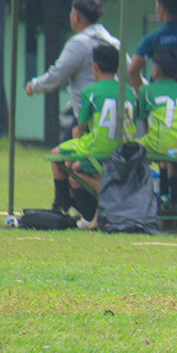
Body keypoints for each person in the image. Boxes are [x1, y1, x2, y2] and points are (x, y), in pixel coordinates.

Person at [49, 43, 134, 223]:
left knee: (56, 155)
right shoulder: (128, 91)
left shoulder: (90, 91)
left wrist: (77, 134)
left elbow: (81, 129)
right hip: (124, 149)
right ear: (117, 68)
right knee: (75, 167)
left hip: (99, 147)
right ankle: (89, 211)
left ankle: (65, 206)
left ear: (94, 67)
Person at [25, 0, 120, 138]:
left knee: (62, 152)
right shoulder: (114, 43)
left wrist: (33, 86)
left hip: (86, 119)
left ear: (75, 17)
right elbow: (130, 71)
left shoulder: (78, 44)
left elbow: (57, 75)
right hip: (112, 118)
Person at [136, 48, 177, 209]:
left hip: (161, 142)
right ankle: (176, 199)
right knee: (175, 157)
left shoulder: (145, 90)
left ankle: (142, 197)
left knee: (128, 151)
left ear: (155, 70)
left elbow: (146, 123)